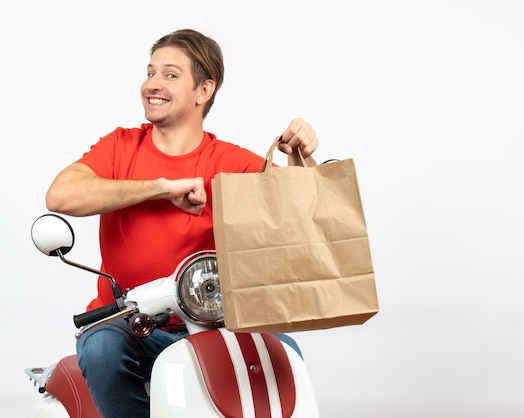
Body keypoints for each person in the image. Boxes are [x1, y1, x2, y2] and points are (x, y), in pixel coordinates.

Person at [45, 28, 319, 418]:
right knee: (101, 347)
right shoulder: (121, 146)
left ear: (203, 90)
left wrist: (297, 156)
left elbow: (297, 213)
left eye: (170, 75)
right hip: (130, 324)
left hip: (216, 324)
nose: (152, 84)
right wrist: (160, 188)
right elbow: (61, 195)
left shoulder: (230, 161)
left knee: (284, 353)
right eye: (150, 72)